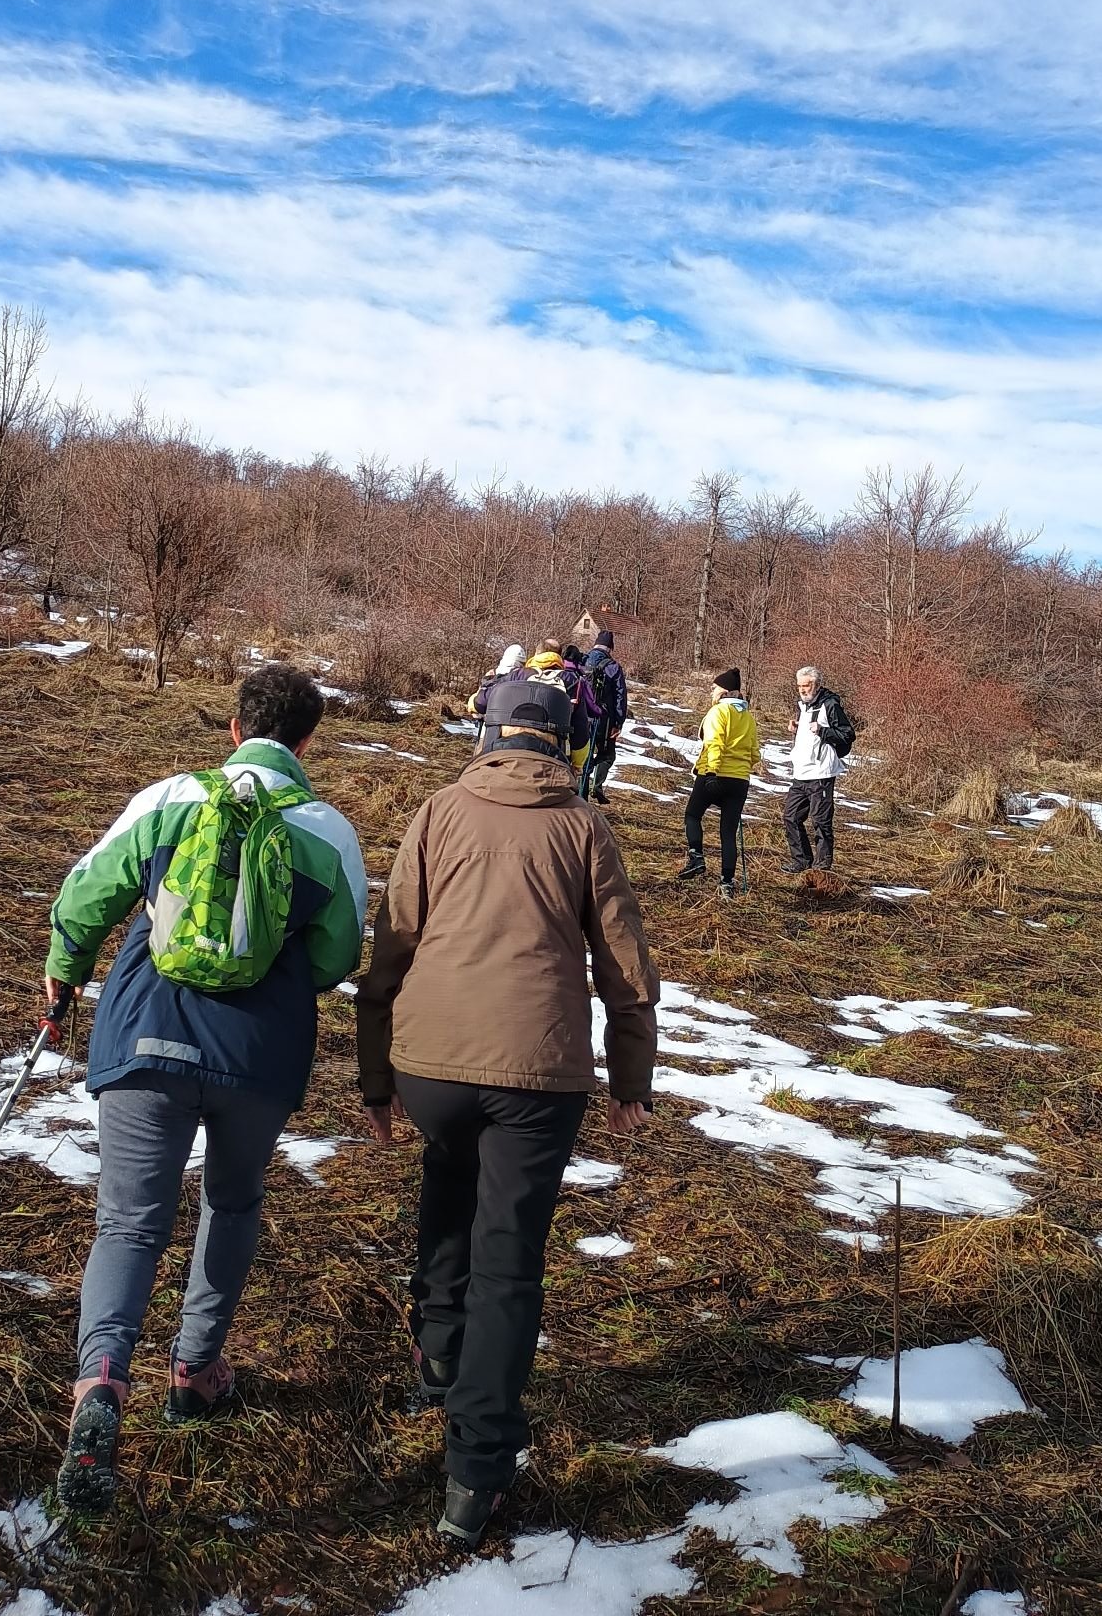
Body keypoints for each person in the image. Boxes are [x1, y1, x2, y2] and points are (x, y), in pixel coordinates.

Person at [44, 663, 368, 1513]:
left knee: (129, 1223)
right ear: (307, 742)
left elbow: (88, 893)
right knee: (232, 1201)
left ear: (234, 729)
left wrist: (63, 972)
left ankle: (101, 1383)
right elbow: (338, 956)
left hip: (146, 1036)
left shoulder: (169, 798)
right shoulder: (328, 831)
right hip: (257, 1055)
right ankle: (194, 1372)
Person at [357, 673, 658, 1550]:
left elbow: (391, 947)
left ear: (487, 736)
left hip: (431, 1065)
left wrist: (377, 1080)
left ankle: (437, 1351)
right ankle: (475, 1474)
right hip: (539, 1072)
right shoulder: (585, 825)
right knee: (509, 1262)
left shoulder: (438, 812)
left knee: (450, 1175)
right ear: (564, 746)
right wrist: (630, 1078)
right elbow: (624, 961)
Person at [679, 669, 760, 900]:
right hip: (739, 780)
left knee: (692, 815)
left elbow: (715, 743)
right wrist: (742, 768)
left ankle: (696, 857)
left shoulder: (718, 712)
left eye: (714, 687)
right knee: (728, 833)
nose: (711, 691)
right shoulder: (748, 717)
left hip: (713, 774)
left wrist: (712, 771)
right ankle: (727, 884)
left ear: (724, 691)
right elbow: (755, 753)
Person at [781, 665, 855, 873]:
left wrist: (823, 731)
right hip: (801, 773)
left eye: (806, 685)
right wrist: (797, 729)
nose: (802, 689)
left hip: (821, 773)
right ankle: (801, 861)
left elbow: (848, 734)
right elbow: (809, 735)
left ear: (817, 684)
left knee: (820, 821)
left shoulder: (830, 704)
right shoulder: (802, 706)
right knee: (790, 817)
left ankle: (821, 868)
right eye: (799, 686)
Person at [581, 628, 630, 803]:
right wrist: (618, 723)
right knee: (608, 754)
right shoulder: (613, 667)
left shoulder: (582, 661)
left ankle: (581, 795)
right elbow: (620, 697)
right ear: (610, 648)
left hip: (582, 717)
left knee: (583, 755)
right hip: (604, 719)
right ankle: (597, 785)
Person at [560, 643, 604, 773]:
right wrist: (600, 711)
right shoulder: (579, 680)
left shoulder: (553, 673)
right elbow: (591, 706)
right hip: (572, 728)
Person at [468, 643, 525, 721]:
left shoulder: (494, 678)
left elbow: (480, 704)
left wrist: (485, 683)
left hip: (494, 721)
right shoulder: (525, 679)